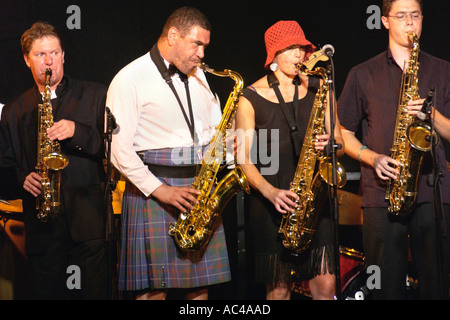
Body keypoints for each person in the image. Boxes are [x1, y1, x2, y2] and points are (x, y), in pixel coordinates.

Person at [106, 7, 231, 300]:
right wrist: (161, 190)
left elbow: (213, 129)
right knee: (153, 292)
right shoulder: (130, 78)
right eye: (196, 44)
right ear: (173, 35)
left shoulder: (200, 76)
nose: (202, 54)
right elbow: (117, 149)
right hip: (153, 193)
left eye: (205, 46)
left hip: (198, 192)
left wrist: (226, 144)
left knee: (199, 288)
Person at [337, 0, 450, 299]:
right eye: (401, 16)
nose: (410, 23)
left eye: (415, 15)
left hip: (432, 193)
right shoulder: (362, 73)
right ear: (385, 21)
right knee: (385, 288)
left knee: (437, 287)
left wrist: (432, 115)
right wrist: (373, 158)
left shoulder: (443, 69)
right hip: (381, 192)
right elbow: (343, 134)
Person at [235, 20, 345, 300]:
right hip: (270, 203)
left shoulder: (321, 88)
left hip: (315, 201)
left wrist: (332, 144)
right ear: (273, 55)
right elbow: (243, 160)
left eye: (302, 48)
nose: (299, 55)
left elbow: (340, 143)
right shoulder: (249, 97)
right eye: (290, 48)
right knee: (279, 291)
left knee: (326, 286)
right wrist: (271, 193)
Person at [0, 22, 108, 299]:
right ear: (26, 59)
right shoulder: (13, 110)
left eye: (54, 53)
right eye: (40, 55)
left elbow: (111, 150)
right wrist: (22, 177)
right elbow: (5, 164)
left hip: (88, 227)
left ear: (63, 55)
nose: (49, 61)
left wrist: (78, 131)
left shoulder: (95, 95)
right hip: (43, 232)